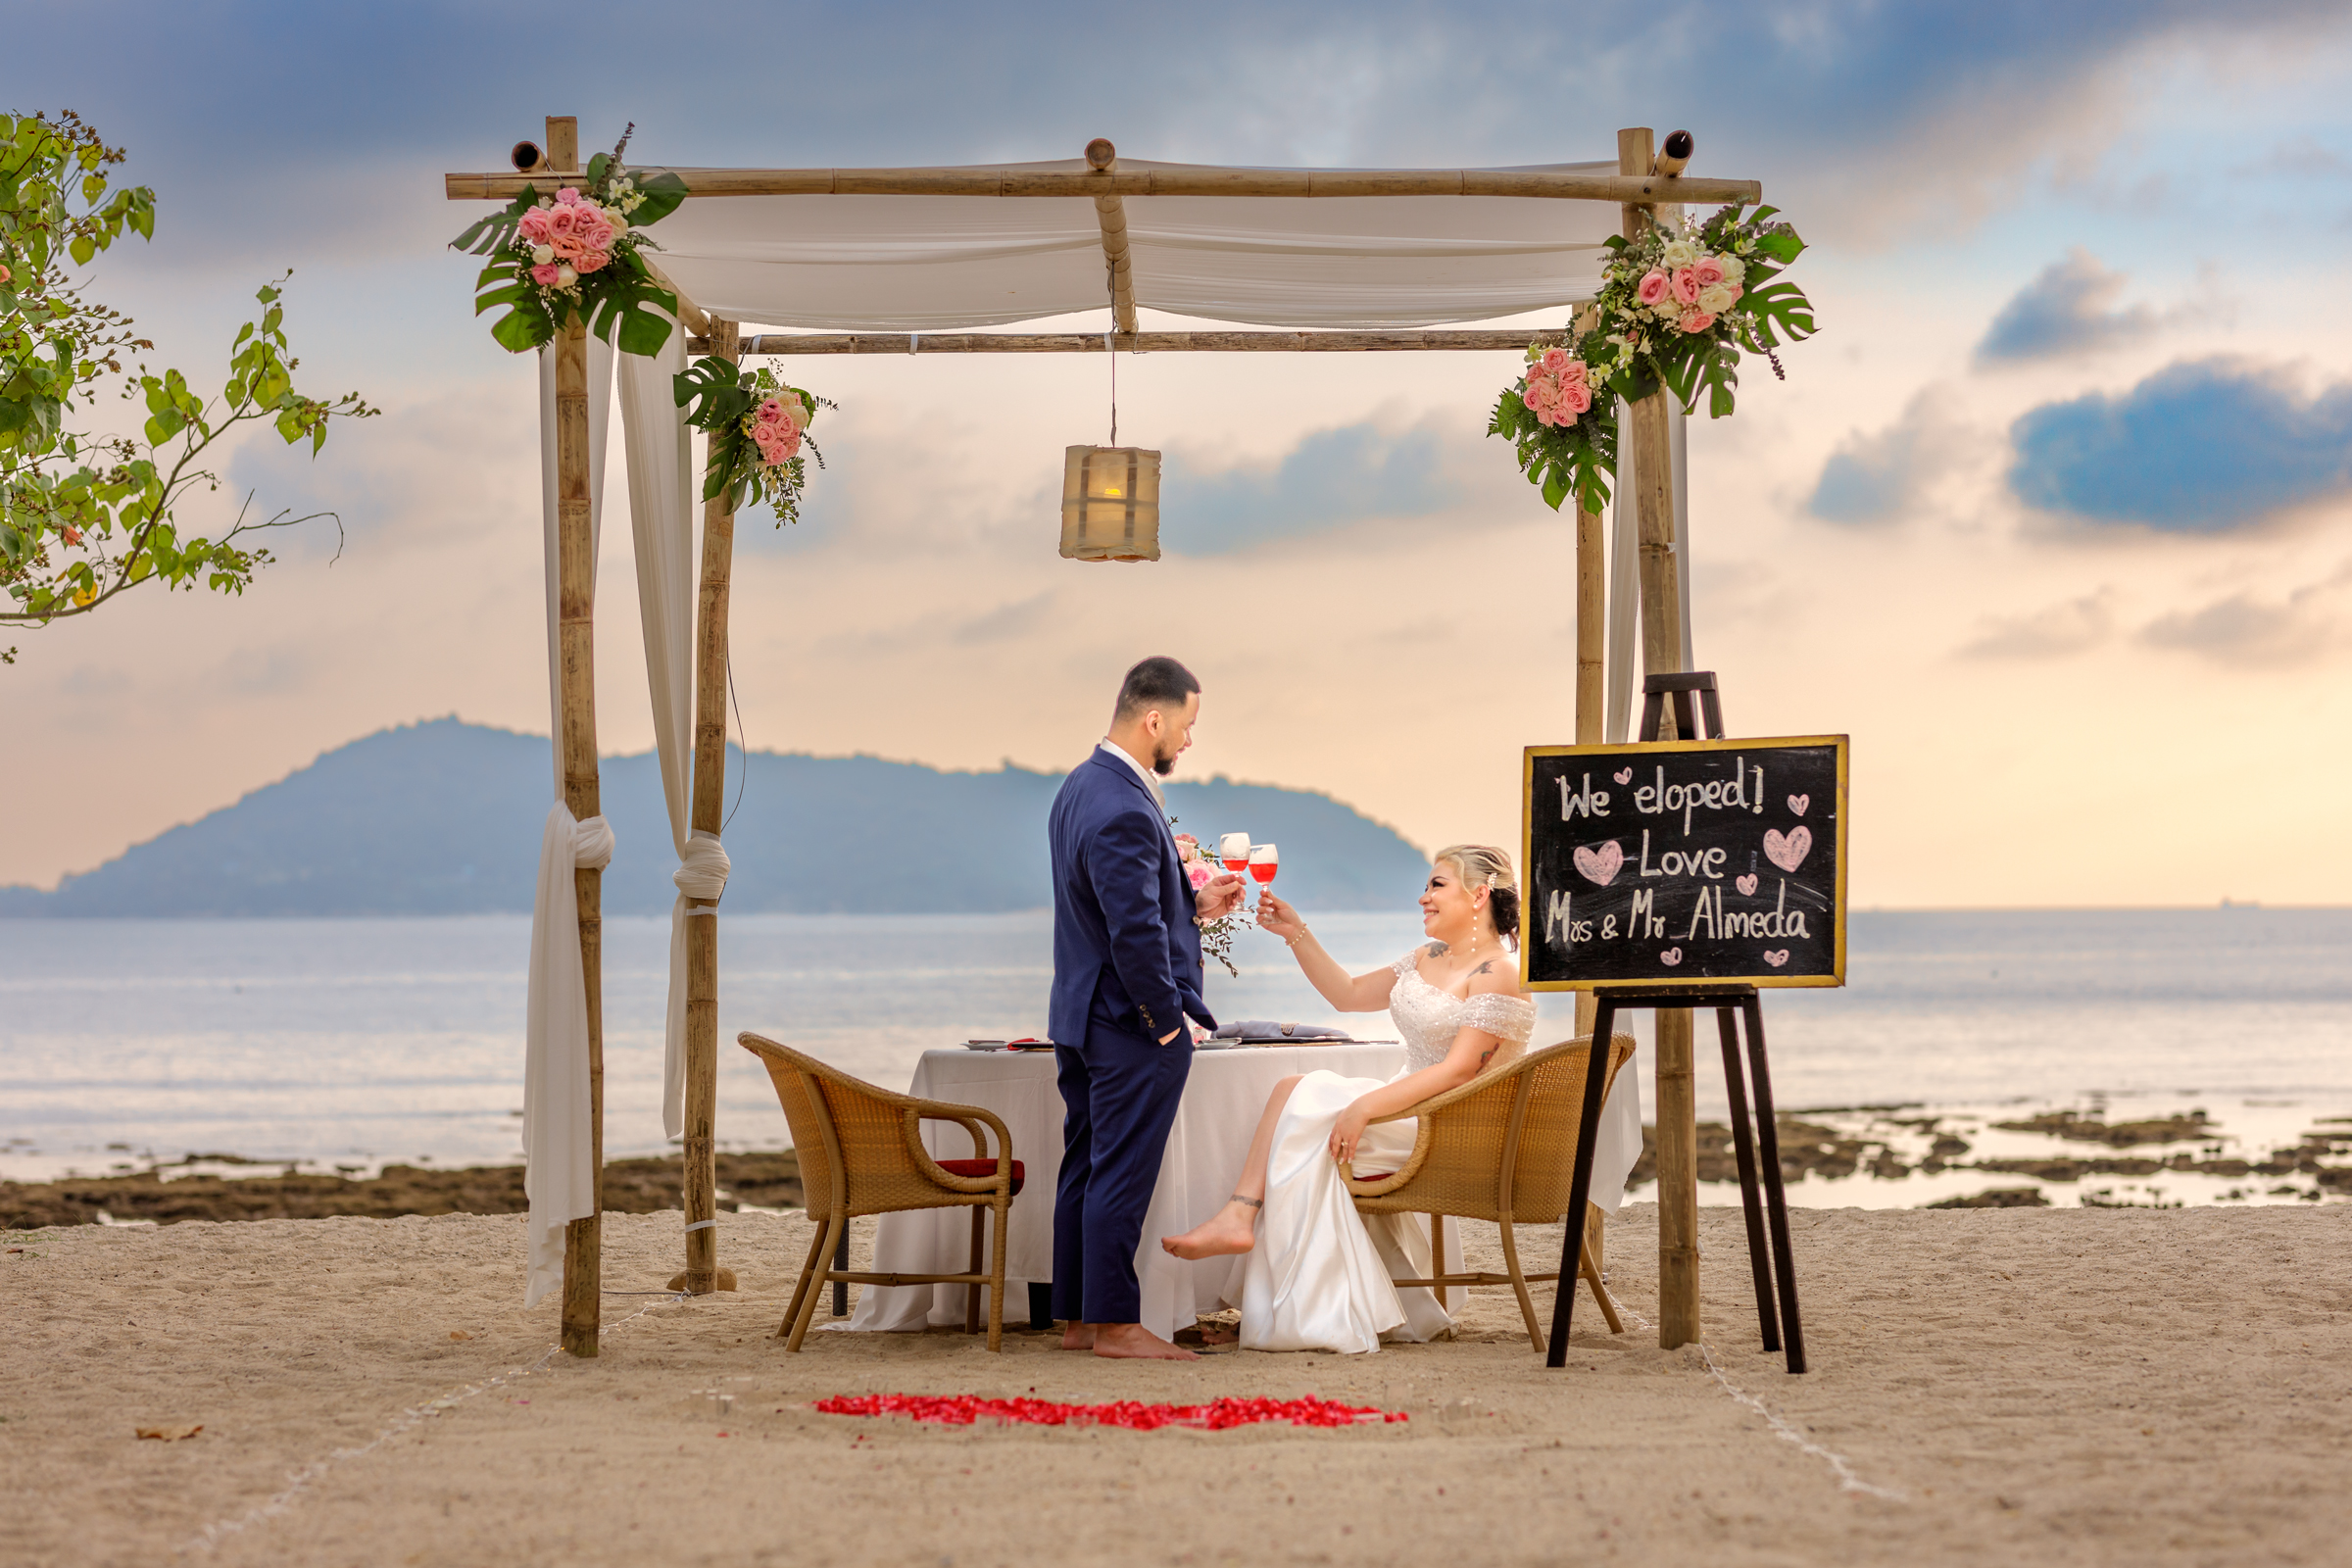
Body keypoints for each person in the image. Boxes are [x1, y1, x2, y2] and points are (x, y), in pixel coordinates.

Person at [1161, 845, 1538, 1353]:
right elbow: (1349, 995)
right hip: (1407, 1108)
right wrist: (1296, 933)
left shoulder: (1501, 972)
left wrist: (1364, 1107)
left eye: (1436, 886)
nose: (1422, 897)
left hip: (1451, 1123)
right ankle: (1240, 1216)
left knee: (1310, 1117)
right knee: (1291, 1091)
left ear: (1479, 895)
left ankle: (1283, 1282)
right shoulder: (1429, 957)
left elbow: (1459, 1070)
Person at [1047, 656, 1248, 1360]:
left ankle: (1077, 1320)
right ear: (1154, 718)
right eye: (1187, 726)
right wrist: (1167, 1022)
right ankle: (1116, 1326)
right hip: (1127, 1022)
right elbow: (1132, 935)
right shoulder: (1127, 805)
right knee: (1122, 1173)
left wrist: (1192, 907)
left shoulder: (1080, 787)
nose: (1188, 742)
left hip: (1079, 1013)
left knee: (1086, 1167)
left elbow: (1116, 912)